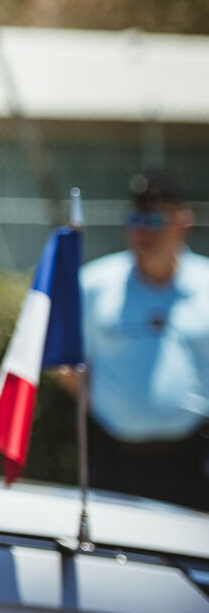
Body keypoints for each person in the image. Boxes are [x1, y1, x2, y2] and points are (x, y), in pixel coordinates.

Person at [79, 170, 209, 511]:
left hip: (193, 460)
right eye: (135, 220)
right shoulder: (95, 284)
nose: (143, 231)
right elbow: (71, 366)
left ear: (183, 223)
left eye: (155, 220)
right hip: (114, 459)